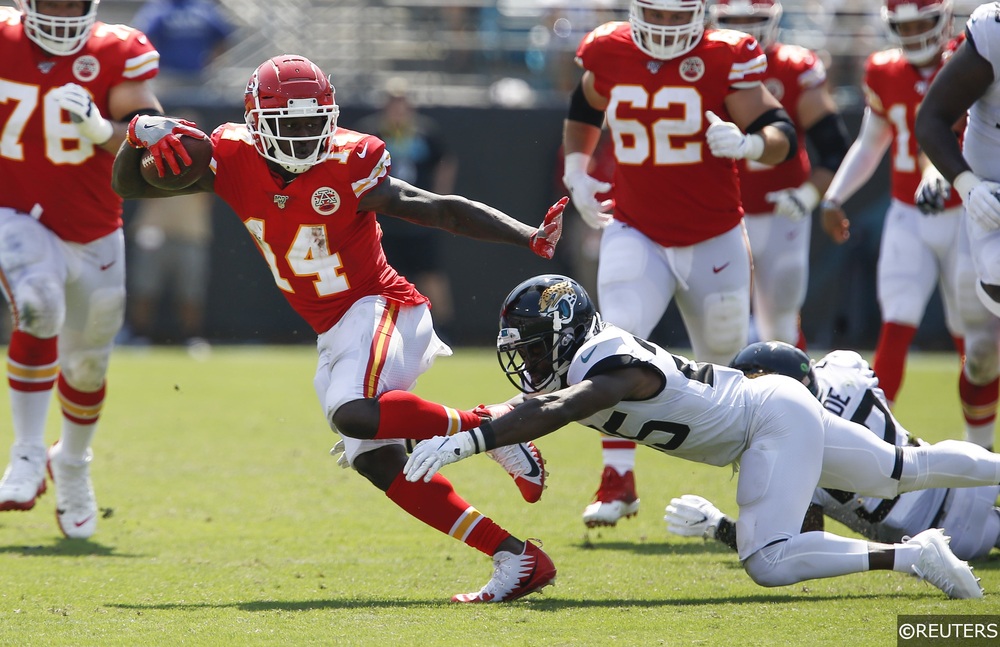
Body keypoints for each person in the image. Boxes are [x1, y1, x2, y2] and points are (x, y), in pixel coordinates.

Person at [111, 54, 566, 603]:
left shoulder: (353, 158)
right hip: (338, 328)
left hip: (384, 306)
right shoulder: (230, 154)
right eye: (291, 125)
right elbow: (131, 188)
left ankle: (491, 425)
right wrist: (135, 138)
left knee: (349, 410)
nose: (305, 137)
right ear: (257, 122)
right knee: (374, 457)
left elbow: (438, 209)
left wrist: (527, 237)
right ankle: (515, 557)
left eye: (314, 122)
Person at [403, 274, 1000, 598]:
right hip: (773, 410)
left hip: (765, 423)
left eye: (534, 348)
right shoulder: (580, 365)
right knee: (902, 469)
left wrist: (473, 444)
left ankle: (913, 557)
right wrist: (471, 429)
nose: (528, 363)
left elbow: (564, 405)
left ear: (564, 333)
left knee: (768, 561)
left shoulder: (606, 363)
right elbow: (526, 406)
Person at [561, 0, 798, 527]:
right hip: (634, 228)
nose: (666, 26)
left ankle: (780, 480)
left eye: (677, 15)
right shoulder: (610, 47)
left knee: (730, 364)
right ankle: (617, 481)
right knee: (612, 347)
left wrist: (750, 141)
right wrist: (577, 171)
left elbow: (783, 136)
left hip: (712, 237)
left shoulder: (725, 55)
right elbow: (584, 106)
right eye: (657, 13)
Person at [0, 0, 163, 539]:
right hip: (14, 210)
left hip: (93, 224)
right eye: (54, 1)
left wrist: (99, 129)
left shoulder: (118, 50)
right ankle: (25, 450)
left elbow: (151, 139)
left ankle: (70, 462)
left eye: (74, 1)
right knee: (39, 304)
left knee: (89, 362)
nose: (65, 13)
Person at [818, 1, 997, 451]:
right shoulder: (884, 70)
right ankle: (868, 450)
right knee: (895, 325)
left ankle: (978, 451)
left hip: (967, 212)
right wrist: (835, 195)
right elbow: (871, 140)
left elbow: (950, 130)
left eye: (923, 22)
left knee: (975, 344)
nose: (915, 33)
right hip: (907, 214)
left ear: (944, 21)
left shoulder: (968, 55)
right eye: (906, 25)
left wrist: (936, 174)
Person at [665, 341, 1000, 561]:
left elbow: (795, 545)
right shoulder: (843, 366)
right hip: (958, 474)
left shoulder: (792, 448)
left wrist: (717, 525)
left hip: (945, 536)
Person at [709, 0, 851, 349]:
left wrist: (807, 196)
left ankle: (797, 396)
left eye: (752, 18)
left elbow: (833, 148)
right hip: (720, 214)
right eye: (734, 20)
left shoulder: (794, 67)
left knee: (781, 323)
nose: (744, 29)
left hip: (780, 211)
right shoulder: (703, 66)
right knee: (721, 322)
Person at [916, 2, 1000, 451]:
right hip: (993, 199)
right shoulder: (990, 37)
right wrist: (966, 185)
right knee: (983, 353)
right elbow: (934, 119)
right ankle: (985, 465)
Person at [357, 78, 458, 340]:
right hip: (384, 221)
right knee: (378, 278)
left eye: (402, 102)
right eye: (393, 102)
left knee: (431, 275)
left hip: (419, 218)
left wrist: (438, 197)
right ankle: (378, 331)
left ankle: (442, 331)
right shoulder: (372, 135)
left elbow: (445, 161)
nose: (397, 108)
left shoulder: (425, 132)